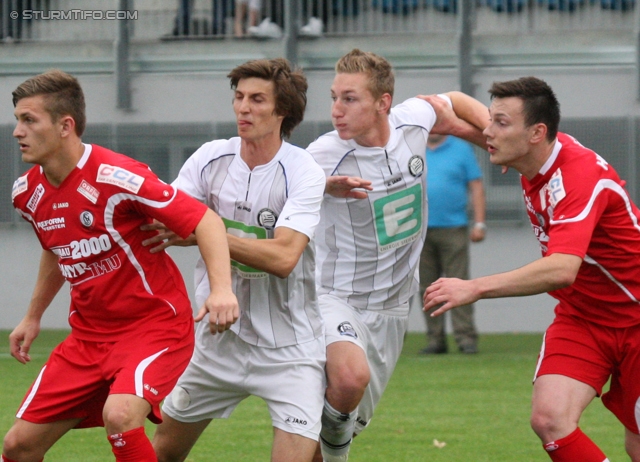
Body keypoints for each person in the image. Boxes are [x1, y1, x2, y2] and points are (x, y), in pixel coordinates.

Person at [3, 69, 238, 462]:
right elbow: (57, 247)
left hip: (153, 327)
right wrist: (32, 316)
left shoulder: (119, 176)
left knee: (121, 414)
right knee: (18, 446)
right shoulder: (27, 192)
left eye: (29, 120)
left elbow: (205, 221)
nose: (17, 131)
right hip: (88, 338)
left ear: (65, 125)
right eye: (17, 120)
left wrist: (221, 289)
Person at [424, 76, 640, 461]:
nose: (489, 131)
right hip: (584, 317)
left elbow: (560, 269)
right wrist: (438, 116)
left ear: (537, 132)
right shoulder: (533, 152)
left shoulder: (579, 178)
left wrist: (474, 287)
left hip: (636, 318)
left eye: (501, 123)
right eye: (491, 120)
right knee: (549, 418)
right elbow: (458, 102)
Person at [305, 48, 489, 462]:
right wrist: (322, 186)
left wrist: (495, 136)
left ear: (382, 103)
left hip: (391, 311)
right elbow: (272, 185)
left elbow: (455, 102)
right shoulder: (323, 154)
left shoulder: (411, 120)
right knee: (349, 381)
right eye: (334, 97)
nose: (336, 109)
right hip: (336, 297)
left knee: (336, 422)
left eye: (349, 98)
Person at [146, 58, 327, 462]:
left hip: (291, 349)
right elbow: (165, 217)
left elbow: (284, 257)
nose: (243, 107)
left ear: (282, 110)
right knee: (161, 454)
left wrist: (204, 233)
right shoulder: (211, 158)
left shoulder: (303, 172)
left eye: (257, 99)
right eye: (239, 97)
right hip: (216, 343)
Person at [419, 133, 486, 355]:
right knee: (428, 288)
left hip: (454, 228)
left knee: (461, 284)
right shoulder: (414, 148)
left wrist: (480, 223)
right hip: (420, 231)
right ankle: (435, 340)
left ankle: (466, 339)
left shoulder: (462, 149)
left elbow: (476, 185)